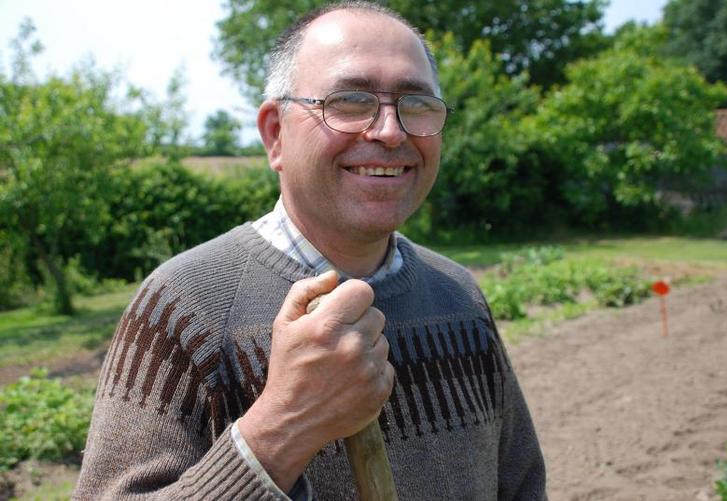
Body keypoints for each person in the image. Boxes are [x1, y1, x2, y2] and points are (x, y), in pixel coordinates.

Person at [74, 2, 546, 499]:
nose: (390, 131)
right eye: (349, 101)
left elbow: (521, 485)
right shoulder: (185, 306)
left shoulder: (457, 293)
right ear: (275, 135)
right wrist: (282, 429)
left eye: (417, 105)